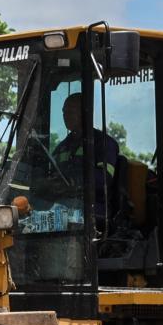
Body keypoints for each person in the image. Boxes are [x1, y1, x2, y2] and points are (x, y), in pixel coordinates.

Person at [54, 90, 123, 225]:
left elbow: (103, 178)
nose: (65, 116)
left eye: (71, 111)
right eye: (64, 112)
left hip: (94, 210)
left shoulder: (103, 143)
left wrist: (72, 182)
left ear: (84, 112)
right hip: (64, 207)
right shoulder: (62, 147)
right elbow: (50, 172)